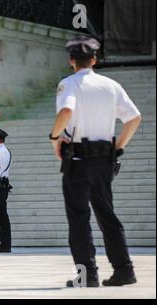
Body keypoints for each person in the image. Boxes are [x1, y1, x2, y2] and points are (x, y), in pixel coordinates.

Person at [50, 36, 142, 287]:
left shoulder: (68, 84)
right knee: (107, 215)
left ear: (71, 61)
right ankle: (124, 270)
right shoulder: (111, 85)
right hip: (104, 160)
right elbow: (134, 118)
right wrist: (118, 146)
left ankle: (87, 275)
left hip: (78, 158)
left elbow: (66, 111)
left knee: (79, 218)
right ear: (94, 59)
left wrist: (54, 137)